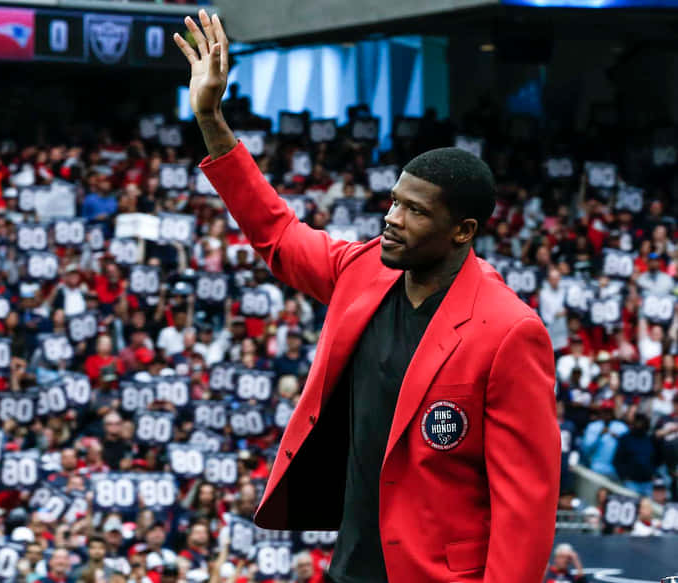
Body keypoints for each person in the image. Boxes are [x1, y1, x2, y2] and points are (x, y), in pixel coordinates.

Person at [175, 10, 560, 582]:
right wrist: (210, 118)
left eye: (415, 210)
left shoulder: (509, 331)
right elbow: (278, 233)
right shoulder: (362, 271)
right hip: (349, 568)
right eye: (395, 201)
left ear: (464, 231)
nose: (393, 218)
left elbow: (525, 504)